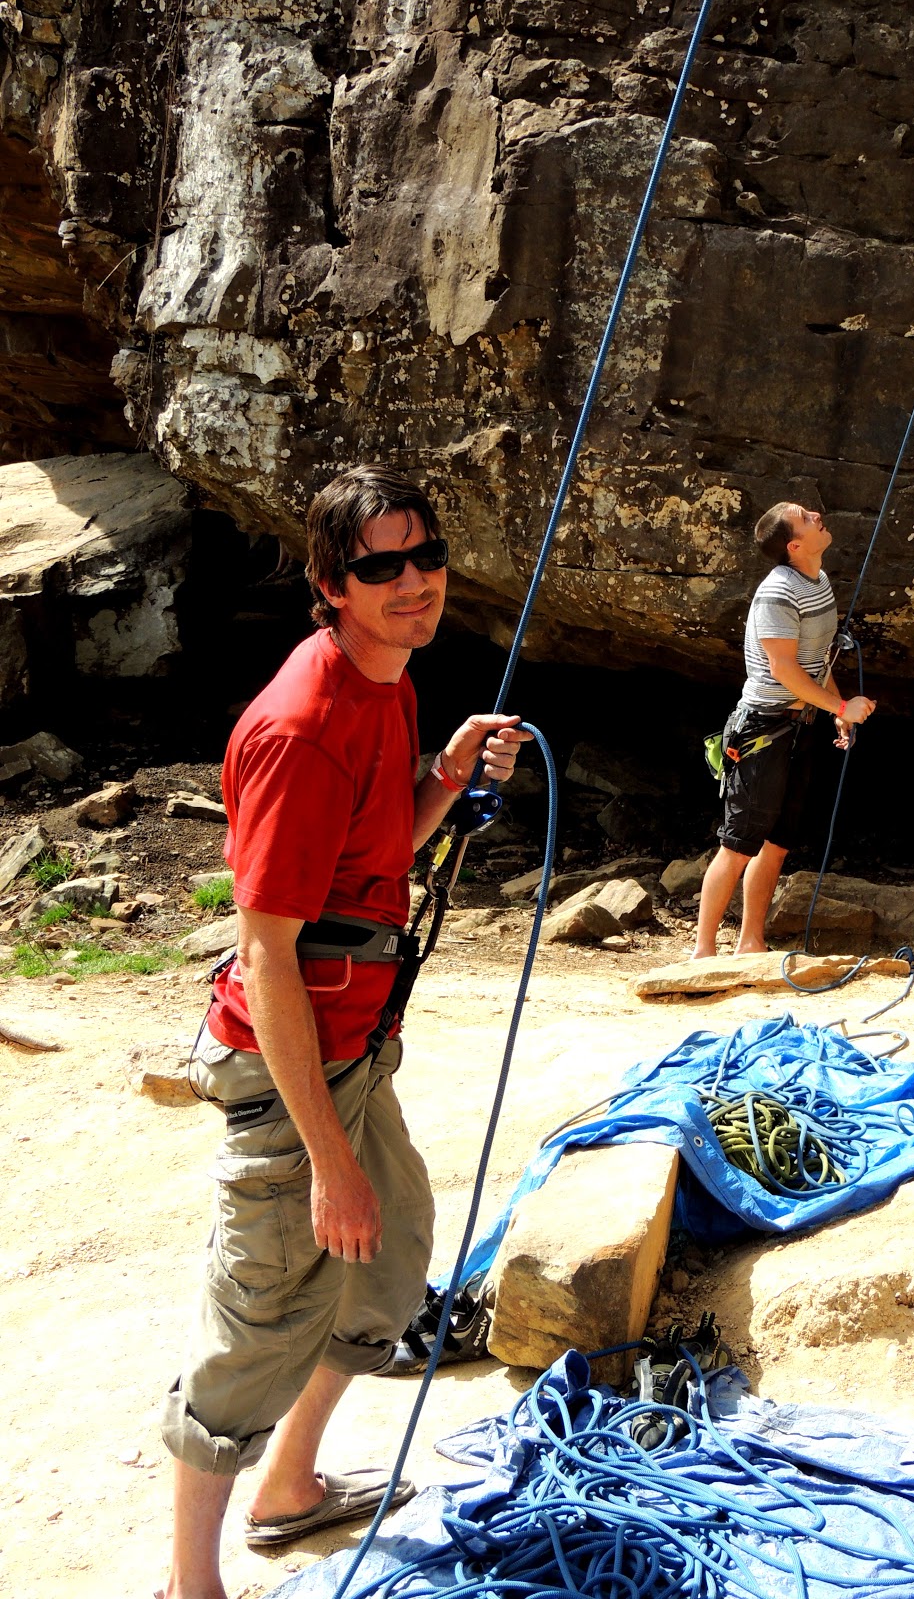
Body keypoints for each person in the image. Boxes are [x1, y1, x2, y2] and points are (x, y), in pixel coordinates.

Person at [159, 466, 530, 1599]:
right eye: (382, 567)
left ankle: (291, 1485)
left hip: (354, 1046)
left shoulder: (393, 683)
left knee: (389, 1260)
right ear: (333, 585)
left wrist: (449, 774)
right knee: (263, 1314)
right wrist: (325, 1159)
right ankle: (188, 1583)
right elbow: (268, 953)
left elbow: (376, 864)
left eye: (426, 558)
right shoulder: (299, 726)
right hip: (287, 1069)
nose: (414, 583)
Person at [692, 502, 875, 959]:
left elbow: (818, 660)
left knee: (776, 844)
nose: (817, 514)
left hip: (802, 725)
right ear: (794, 546)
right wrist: (841, 704)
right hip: (762, 730)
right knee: (737, 844)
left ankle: (751, 943)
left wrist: (835, 710)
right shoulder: (777, 593)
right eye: (805, 516)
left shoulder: (820, 582)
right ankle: (702, 953)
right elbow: (784, 670)